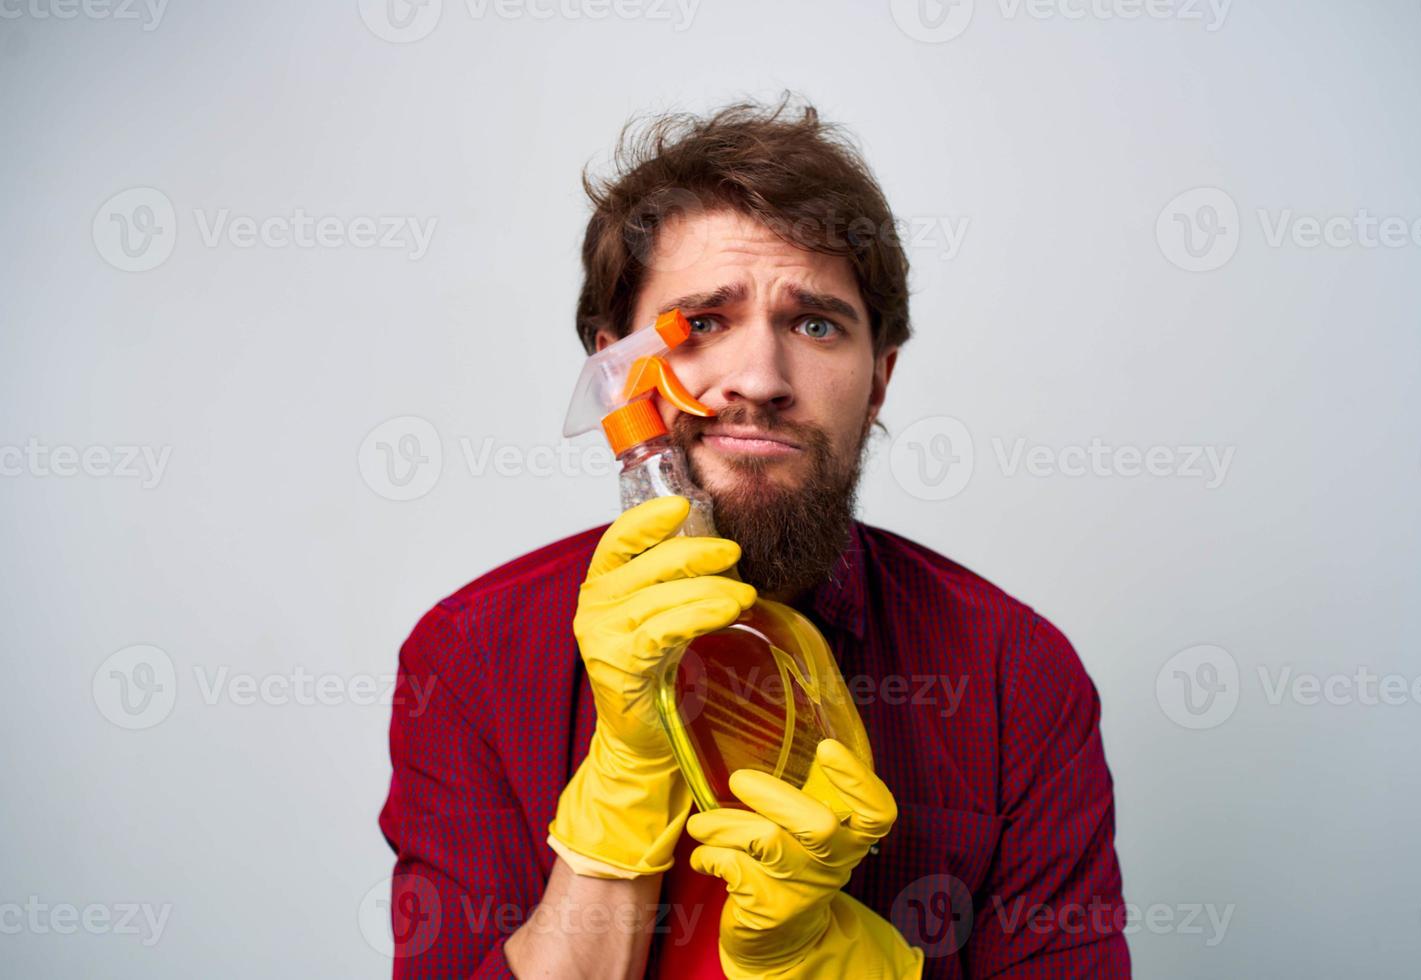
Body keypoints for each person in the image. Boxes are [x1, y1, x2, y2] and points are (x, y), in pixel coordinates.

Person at [379, 96, 1130, 978]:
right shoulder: (470, 659)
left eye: (815, 324)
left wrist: (831, 965)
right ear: (615, 373)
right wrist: (616, 812)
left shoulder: (1017, 680)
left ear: (879, 381)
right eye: (701, 323)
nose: (760, 379)